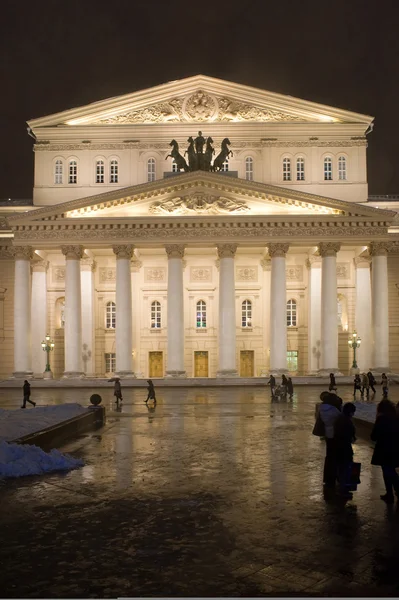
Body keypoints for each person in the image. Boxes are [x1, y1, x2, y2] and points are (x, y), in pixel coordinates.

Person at [371, 399, 399, 503]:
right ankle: (391, 493)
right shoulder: (396, 418)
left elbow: (373, 436)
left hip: (384, 450)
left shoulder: (381, 419)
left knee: (387, 471)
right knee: (390, 471)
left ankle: (392, 492)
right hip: (395, 449)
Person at [319, 391, 342, 488]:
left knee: (329, 456)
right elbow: (341, 419)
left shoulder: (323, 409)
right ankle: (336, 477)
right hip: (336, 435)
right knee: (337, 457)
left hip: (328, 434)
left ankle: (328, 478)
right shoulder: (334, 410)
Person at [334, 402, 357, 499]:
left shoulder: (339, 419)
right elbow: (350, 436)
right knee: (345, 469)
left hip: (338, 447)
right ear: (351, 412)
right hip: (345, 448)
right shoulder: (347, 422)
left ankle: (340, 488)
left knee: (340, 468)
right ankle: (343, 490)